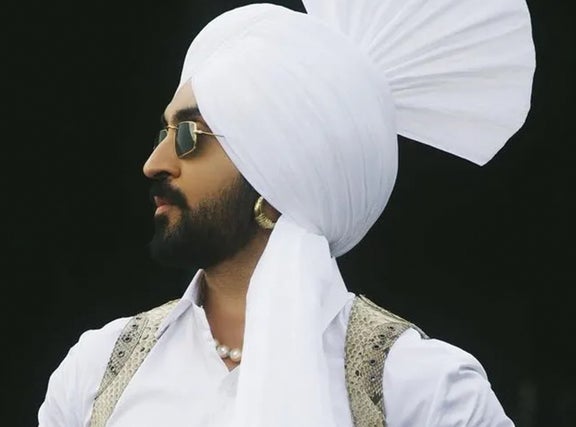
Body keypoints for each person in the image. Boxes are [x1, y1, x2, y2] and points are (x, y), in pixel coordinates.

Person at [38, 0, 535, 426]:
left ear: (277, 170)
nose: (155, 163)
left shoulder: (424, 388)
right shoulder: (97, 370)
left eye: (188, 136)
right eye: (162, 134)